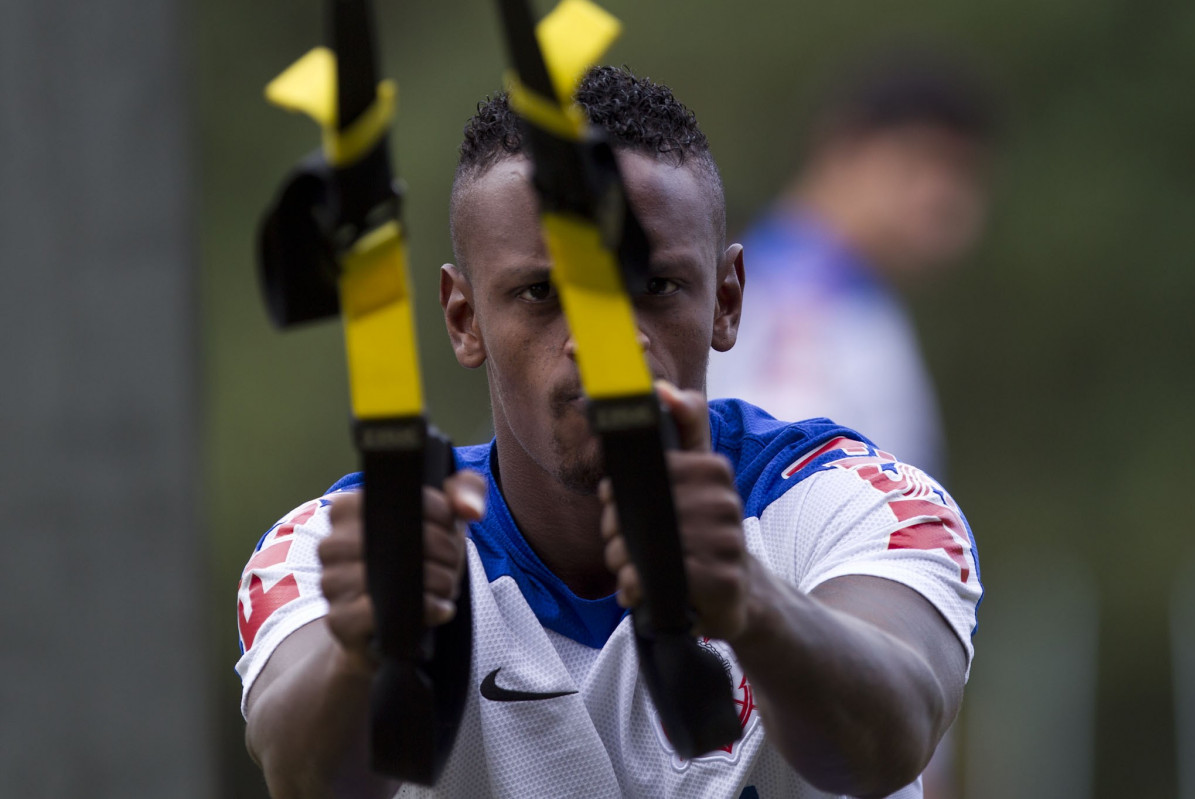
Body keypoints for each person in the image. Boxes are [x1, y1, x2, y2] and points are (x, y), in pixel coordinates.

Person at [235, 66, 982, 798]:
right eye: (540, 293)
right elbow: (302, 775)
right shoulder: (346, 541)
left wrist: (752, 604)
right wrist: (364, 649)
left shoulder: (854, 501)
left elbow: (889, 741)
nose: (604, 342)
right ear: (464, 319)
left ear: (727, 300)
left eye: (656, 287)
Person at [707, 51, 996, 478]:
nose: (942, 197)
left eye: (963, 171)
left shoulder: (837, 290)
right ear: (840, 148)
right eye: (919, 162)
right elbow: (782, 486)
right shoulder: (801, 300)